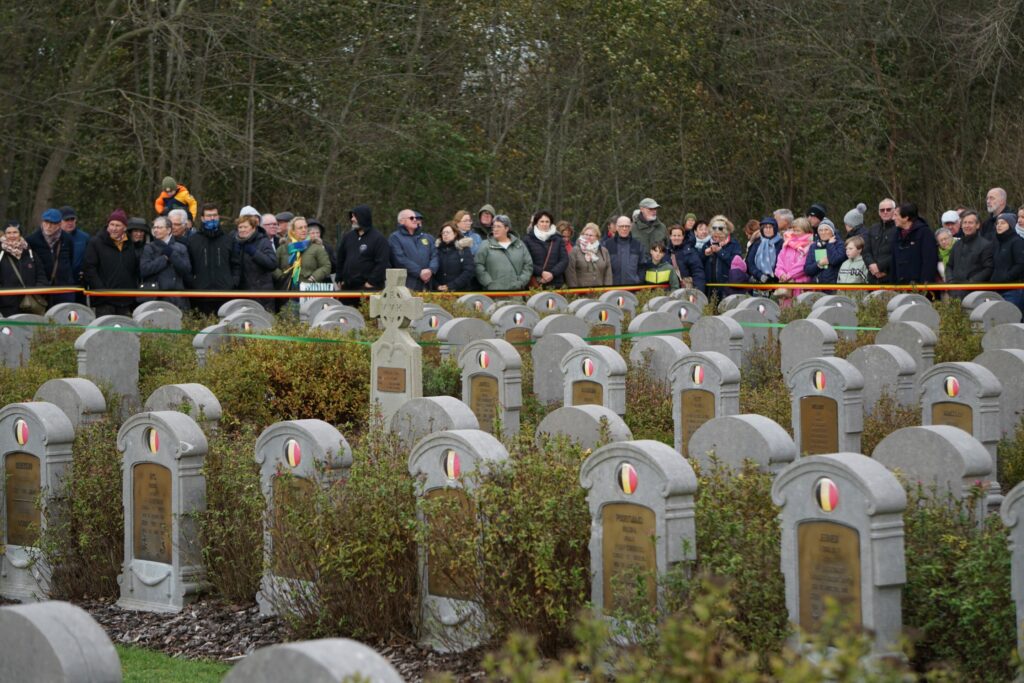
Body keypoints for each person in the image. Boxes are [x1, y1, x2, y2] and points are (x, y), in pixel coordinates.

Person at [83, 209, 140, 316]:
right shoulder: (95, 242)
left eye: (118, 225)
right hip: (104, 301)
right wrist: (101, 290)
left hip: (126, 300)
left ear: (125, 227)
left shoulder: (130, 244)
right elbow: (89, 268)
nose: (114, 228)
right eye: (111, 224)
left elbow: (135, 270)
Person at [188, 203, 239, 315]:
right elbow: (188, 266)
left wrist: (233, 282)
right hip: (201, 295)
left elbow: (236, 264)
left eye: (215, 215)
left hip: (225, 293)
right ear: (202, 218)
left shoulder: (228, 239)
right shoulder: (193, 240)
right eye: (209, 215)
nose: (212, 218)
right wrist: (194, 283)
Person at [139, 216, 192, 310]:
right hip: (156, 297)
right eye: (154, 227)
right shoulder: (149, 248)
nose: (155, 230)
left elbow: (186, 270)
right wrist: (164, 258)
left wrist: (172, 255)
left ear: (168, 230)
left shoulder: (181, 247)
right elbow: (144, 270)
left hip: (177, 298)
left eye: (159, 227)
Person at [26, 208, 75, 306]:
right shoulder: (32, 240)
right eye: (46, 222)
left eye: (52, 223)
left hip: (64, 287)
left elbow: (71, 259)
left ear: (59, 224)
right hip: (42, 287)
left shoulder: (67, 239)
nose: (48, 226)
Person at [336, 204, 389, 291]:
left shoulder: (378, 238)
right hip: (347, 288)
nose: (352, 219)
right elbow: (340, 258)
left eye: (355, 216)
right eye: (351, 216)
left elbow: (382, 263)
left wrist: (371, 282)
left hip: (368, 289)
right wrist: (339, 278)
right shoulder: (348, 237)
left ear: (363, 217)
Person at [0, 221, 46, 317]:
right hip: (8, 305)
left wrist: (37, 290)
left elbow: (41, 274)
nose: (12, 235)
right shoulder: (1, 254)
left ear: (20, 234)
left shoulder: (30, 253)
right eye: (8, 233)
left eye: (15, 232)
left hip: (31, 303)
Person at [474, 214, 531, 290]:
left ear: (507, 228)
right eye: (494, 227)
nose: (495, 229)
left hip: (516, 293)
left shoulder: (520, 245)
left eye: (498, 226)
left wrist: (520, 282)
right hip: (492, 294)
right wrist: (488, 283)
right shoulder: (485, 245)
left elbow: (528, 265)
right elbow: (478, 265)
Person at [233, 214, 277, 310]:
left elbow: (272, 263)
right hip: (243, 294)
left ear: (253, 228)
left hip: (262, 294)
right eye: (240, 227)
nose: (242, 230)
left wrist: (254, 253)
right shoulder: (235, 243)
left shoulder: (263, 241)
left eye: (245, 227)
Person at [275, 216, 331, 290]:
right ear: (293, 231)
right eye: (300, 228)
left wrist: (314, 277)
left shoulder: (316, 248)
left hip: (309, 289)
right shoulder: (282, 249)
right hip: (286, 290)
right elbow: (273, 266)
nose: (304, 230)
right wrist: (281, 276)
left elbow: (326, 266)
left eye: (305, 227)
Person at [944, 211, 992, 297]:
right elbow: (949, 266)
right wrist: (950, 281)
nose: (967, 226)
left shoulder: (985, 245)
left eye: (970, 223)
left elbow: (988, 268)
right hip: (954, 292)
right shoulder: (957, 244)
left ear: (977, 225)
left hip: (974, 293)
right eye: (964, 223)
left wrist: (971, 282)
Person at [389, 208, 437, 291]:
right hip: (407, 284)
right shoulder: (395, 238)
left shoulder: (428, 237)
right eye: (411, 218)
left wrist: (431, 270)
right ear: (401, 221)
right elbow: (400, 259)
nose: (415, 220)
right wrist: (419, 272)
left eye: (416, 218)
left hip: (428, 283)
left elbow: (435, 255)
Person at [890, 202, 938, 285]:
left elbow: (929, 262)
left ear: (905, 218)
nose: (893, 218)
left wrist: (924, 286)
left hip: (918, 288)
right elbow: (894, 262)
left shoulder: (925, 233)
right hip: (900, 288)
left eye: (896, 215)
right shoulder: (896, 235)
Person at [773, 217, 814, 305]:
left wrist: (789, 275)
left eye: (798, 231)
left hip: (801, 285)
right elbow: (779, 262)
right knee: (785, 312)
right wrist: (781, 274)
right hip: (785, 285)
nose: (795, 233)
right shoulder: (787, 244)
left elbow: (803, 264)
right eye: (794, 230)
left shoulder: (810, 246)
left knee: (800, 311)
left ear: (806, 231)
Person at [523, 210, 568, 288]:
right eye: (542, 221)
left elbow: (564, 260)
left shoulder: (558, 239)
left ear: (550, 223)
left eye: (547, 221)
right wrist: (541, 273)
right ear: (536, 223)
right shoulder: (527, 239)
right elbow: (526, 261)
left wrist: (552, 273)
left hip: (556, 282)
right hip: (536, 282)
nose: (544, 224)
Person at [991, 212, 1024, 315]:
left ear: (1010, 225)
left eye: (1003, 223)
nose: (999, 225)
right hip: (997, 289)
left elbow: (1021, 264)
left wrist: (1007, 277)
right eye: (998, 223)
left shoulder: (1017, 242)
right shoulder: (997, 243)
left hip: (1013, 290)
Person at [701, 215, 742, 296]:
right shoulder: (706, 245)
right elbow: (699, 265)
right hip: (709, 287)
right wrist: (705, 254)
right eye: (714, 228)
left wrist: (720, 252)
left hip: (727, 286)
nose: (717, 237)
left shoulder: (733, 244)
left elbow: (736, 264)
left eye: (720, 229)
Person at [566, 222, 612, 288]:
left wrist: (607, 290)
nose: (588, 237)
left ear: (597, 237)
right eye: (586, 234)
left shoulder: (604, 251)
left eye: (591, 235)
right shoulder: (575, 251)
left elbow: (608, 274)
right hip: (581, 292)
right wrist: (574, 291)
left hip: (600, 292)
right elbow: (570, 273)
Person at [804, 219, 846, 289]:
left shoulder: (840, 244)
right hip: (816, 287)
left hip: (833, 287)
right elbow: (807, 270)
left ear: (832, 231)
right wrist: (819, 264)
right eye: (820, 230)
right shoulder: (814, 246)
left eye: (826, 230)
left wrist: (830, 244)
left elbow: (834, 260)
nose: (823, 232)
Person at [433, 222, 475, 292]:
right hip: (439, 293)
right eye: (443, 233)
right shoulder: (436, 250)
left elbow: (468, 271)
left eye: (448, 232)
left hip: (459, 292)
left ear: (455, 234)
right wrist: (437, 286)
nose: (445, 234)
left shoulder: (463, 249)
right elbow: (432, 270)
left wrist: (451, 286)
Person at [603, 215, 644, 285]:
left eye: (627, 226)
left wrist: (638, 280)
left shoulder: (637, 245)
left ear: (630, 227)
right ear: (617, 227)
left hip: (633, 288)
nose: (624, 229)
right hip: (612, 287)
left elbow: (642, 266)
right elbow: (604, 267)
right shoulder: (607, 244)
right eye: (622, 226)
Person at [864, 198, 897, 283]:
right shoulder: (872, 229)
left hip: (891, 277)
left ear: (895, 211)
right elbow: (866, 251)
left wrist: (880, 267)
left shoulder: (899, 229)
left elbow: (898, 253)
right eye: (882, 210)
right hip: (872, 278)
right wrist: (872, 267)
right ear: (879, 212)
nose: (885, 212)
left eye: (888, 209)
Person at [59, 206, 90, 297]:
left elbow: (90, 259)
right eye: (66, 220)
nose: (70, 223)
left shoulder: (84, 238)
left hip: (79, 283)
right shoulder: (54, 237)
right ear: (59, 221)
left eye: (72, 219)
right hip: (60, 284)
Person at [745, 217, 782, 289]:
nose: (768, 230)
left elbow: (783, 262)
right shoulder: (757, 243)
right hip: (758, 281)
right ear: (762, 229)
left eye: (770, 227)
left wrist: (775, 276)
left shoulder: (781, 243)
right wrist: (760, 275)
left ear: (775, 228)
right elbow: (750, 263)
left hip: (776, 282)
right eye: (765, 227)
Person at [666, 224, 705, 291]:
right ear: (670, 236)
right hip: (670, 290)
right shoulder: (666, 252)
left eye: (679, 235)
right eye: (674, 235)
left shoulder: (690, 252)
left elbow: (698, 273)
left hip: (686, 290)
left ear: (683, 237)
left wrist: (698, 291)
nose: (676, 238)